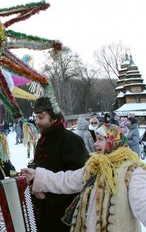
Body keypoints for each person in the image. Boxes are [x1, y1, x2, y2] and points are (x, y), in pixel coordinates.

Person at [22, 124, 146, 232]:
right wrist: (37, 176)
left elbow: (144, 203)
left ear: (113, 141)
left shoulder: (132, 170)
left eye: (101, 140)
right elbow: (66, 180)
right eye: (96, 140)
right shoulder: (94, 166)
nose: (95, 144)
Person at [30, 96, 89, 232]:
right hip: (43, 212)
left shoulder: (71, 140)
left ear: (54, 117)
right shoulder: (42, 140)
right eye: (36, 117)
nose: (37, 122)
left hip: (64, 216)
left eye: (41, 117)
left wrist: (49, 195)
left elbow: (79, 180)